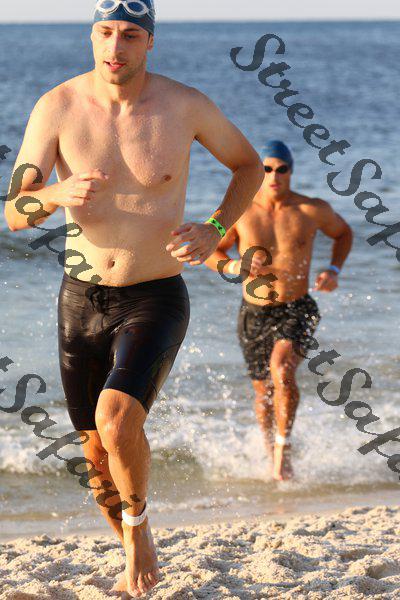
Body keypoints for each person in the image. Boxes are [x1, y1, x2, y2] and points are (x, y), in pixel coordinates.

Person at [4, 1, 265, 597]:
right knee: (96, 457)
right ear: (92, 36)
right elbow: (15, 212)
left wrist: (216, 228)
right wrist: (56, 194)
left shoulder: (185, 105)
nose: (115, 47)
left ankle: (140, 528)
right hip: (80, 298)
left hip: (155, 293)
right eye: (105, 32)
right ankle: (129, 542)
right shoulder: (57, 106)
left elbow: (248, 165)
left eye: (129, 35)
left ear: (149, 42)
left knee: (116, 419)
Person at [204, 140, 353, 482]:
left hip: (297, 307)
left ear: (290, 171)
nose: (274, 176)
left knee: (282, 369)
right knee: (263, 391)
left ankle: (282, 456)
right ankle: (270, 448)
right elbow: (212, 250)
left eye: (281, 169)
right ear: (258, 171)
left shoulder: (311, 209)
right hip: (253, 311)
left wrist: (334, 270)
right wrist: (234, 265)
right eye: (267, 169)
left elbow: (343, 233)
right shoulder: (239, 211)